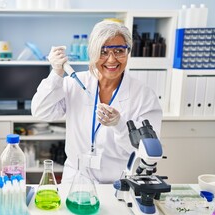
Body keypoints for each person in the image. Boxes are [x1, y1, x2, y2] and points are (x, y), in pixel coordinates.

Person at [31, 20, 162, 184]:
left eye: (119, 51)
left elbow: (147, 151)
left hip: (120, 181)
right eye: (103, 52)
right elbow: (41, 111)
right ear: (92, 53)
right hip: (77, 179)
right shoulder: (75, 82)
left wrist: (120, 124)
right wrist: (56, 73)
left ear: (128, 52)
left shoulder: (144, 95)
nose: (112, 60)